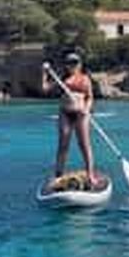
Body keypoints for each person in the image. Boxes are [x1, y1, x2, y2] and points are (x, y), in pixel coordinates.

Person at [43, 52, 96, 184]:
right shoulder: (61, 79)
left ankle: (90, 174)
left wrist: (87, 109)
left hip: (81, 114)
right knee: (63, 145)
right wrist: (44, 73)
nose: (72, 65)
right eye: (69, 63)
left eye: (75, 63)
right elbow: (45, 89)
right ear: (66, 65)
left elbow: (89, 97)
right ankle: (58, 175)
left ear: (80, 64)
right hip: (65, 113)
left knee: (84, 145)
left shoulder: (85, 79)